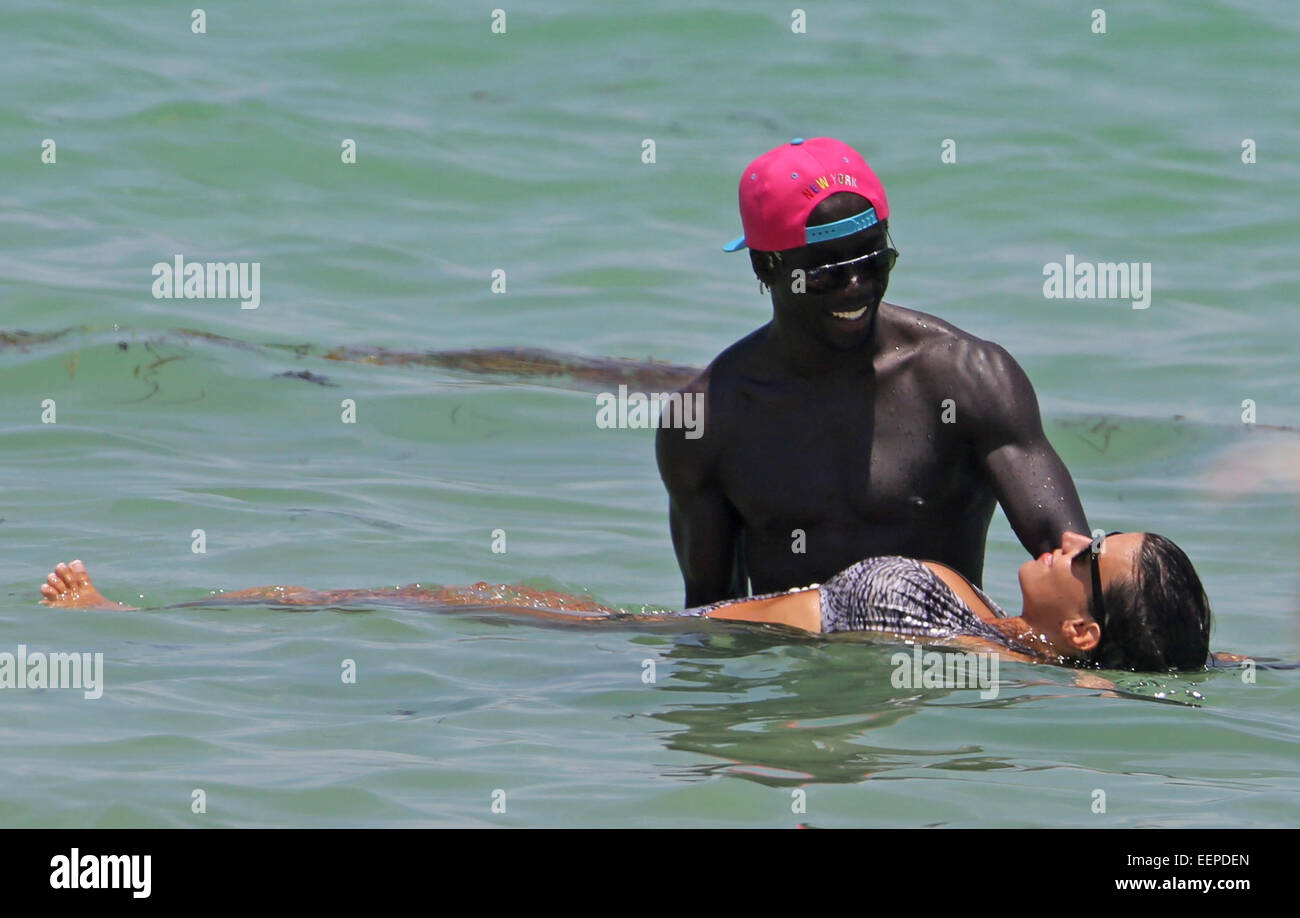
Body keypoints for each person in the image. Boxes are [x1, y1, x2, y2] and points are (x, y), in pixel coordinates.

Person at [656, 137, 1088, 607]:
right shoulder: (708, 421)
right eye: (826, 273)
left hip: (939, 664)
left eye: (873, 259)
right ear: (765, 266)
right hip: (796, 673)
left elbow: (1080, 572)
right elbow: (711, 617)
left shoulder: (966, 379)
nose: (856, 288)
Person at [37, 530, 1214, 672]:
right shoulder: (985, 614)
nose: (1061, 535)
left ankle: (133, 622)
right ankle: (159, 615)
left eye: (1084, 555)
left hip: (650, 649)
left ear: (1085, 629)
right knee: (400, 590)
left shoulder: (1010, 659)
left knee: (385, 597)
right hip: (665, 634)